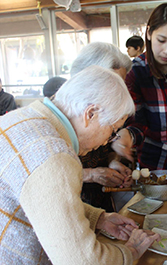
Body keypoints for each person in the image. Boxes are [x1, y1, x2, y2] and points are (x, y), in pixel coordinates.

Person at [0, 66, 160, 264]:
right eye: (113, 130)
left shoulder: (25, 118)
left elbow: (42, 203)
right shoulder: (53, 154)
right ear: (90, 114)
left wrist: (99, 218)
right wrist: (130, 251)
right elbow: (82, 261)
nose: (108, 140)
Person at [113, 2, 167, 171]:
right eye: (161, 40)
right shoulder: (136, 73)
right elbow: (137, 123)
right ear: (148, 33)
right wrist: (128, 135)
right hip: (156, 164)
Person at [70, 42, 134, 211]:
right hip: (75, 205)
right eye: (112, 83)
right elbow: (53, 174)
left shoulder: (108, 111)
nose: (118, 92)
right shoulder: (65, 114)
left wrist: (113, 163)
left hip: (100, 205)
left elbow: (107, 148)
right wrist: (92, 174)